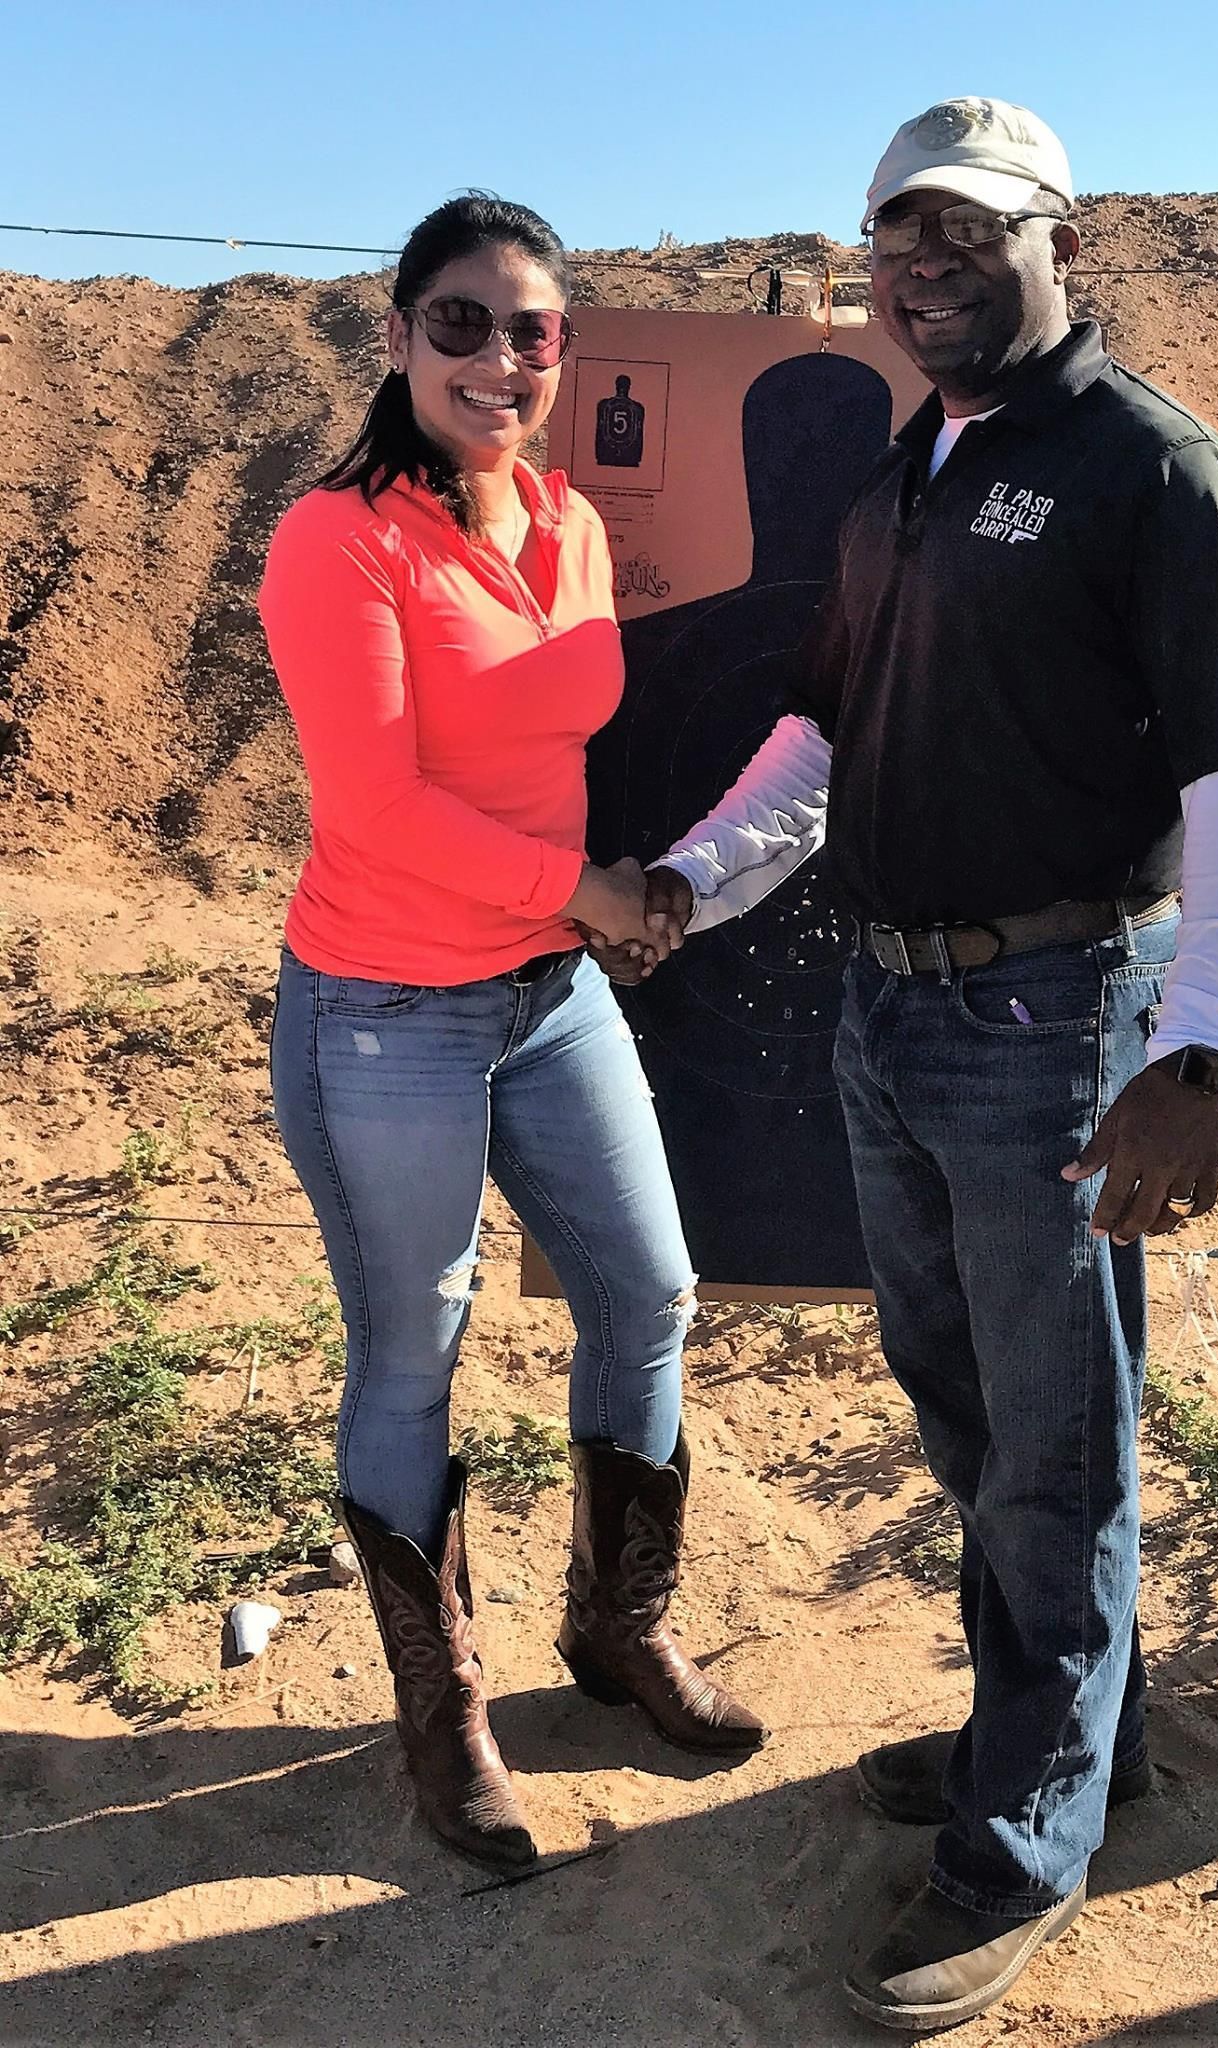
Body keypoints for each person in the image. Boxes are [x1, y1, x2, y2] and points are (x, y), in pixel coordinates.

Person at [592, 99, 1218, 2026]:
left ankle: (1024, 1842)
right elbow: (823, 747)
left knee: (1052, 1438)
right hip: (894, 1011)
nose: (923, 266)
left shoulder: (1145, 466)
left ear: (1051, 239)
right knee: (968, 1404)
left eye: (965, 233)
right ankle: (1072, 1731)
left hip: (1059, 1016)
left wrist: (1196, 1056)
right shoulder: (913, 462)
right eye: (895, 235)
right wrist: (689, 877)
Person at [259, 192, 764, 1876]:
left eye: (530, 330)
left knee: (647, 1292)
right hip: (388, 1011)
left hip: (546, 996)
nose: (498, 356)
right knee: (414, 1356)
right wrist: (593, 896)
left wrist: (639, 888)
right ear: (396, 334)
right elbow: (380, 810)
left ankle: (612, 1634)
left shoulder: (564, 520)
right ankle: (445, 1717)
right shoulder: (336, 541)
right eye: (460, 322)